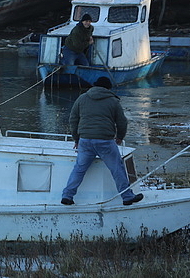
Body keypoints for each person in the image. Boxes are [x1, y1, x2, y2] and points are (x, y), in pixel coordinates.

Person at [60, 76, 144, 206]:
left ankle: (67, 196)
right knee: (117, 169)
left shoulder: (82, 98)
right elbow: (122, 122)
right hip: (105, 141)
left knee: (79, 169)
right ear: (108, 88)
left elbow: (73, 120)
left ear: (95, 85)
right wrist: (120, 137)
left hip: (85, 140)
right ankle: (127, 197)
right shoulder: (113, 101)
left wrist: (76, 139)